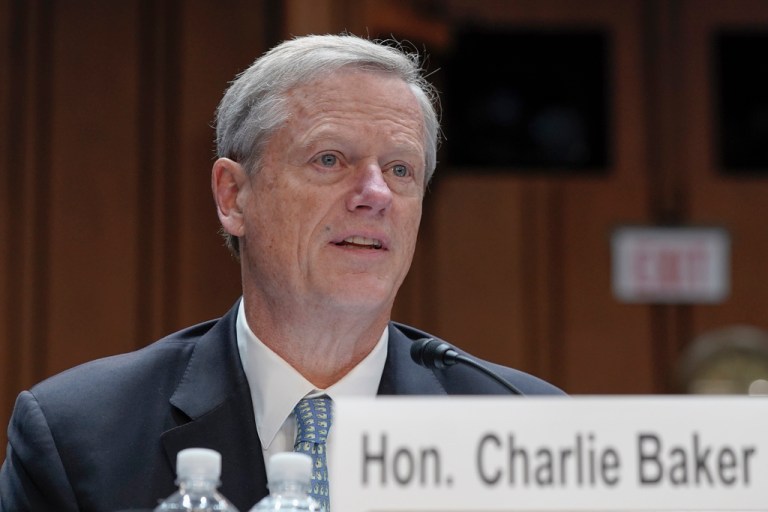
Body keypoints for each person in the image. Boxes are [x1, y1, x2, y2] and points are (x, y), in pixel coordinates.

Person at [0, 34, 564, 512]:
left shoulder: (527, 431)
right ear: (233, 195)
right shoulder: (77, 435)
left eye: (400, 169)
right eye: (330, 159)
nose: (376, 195)